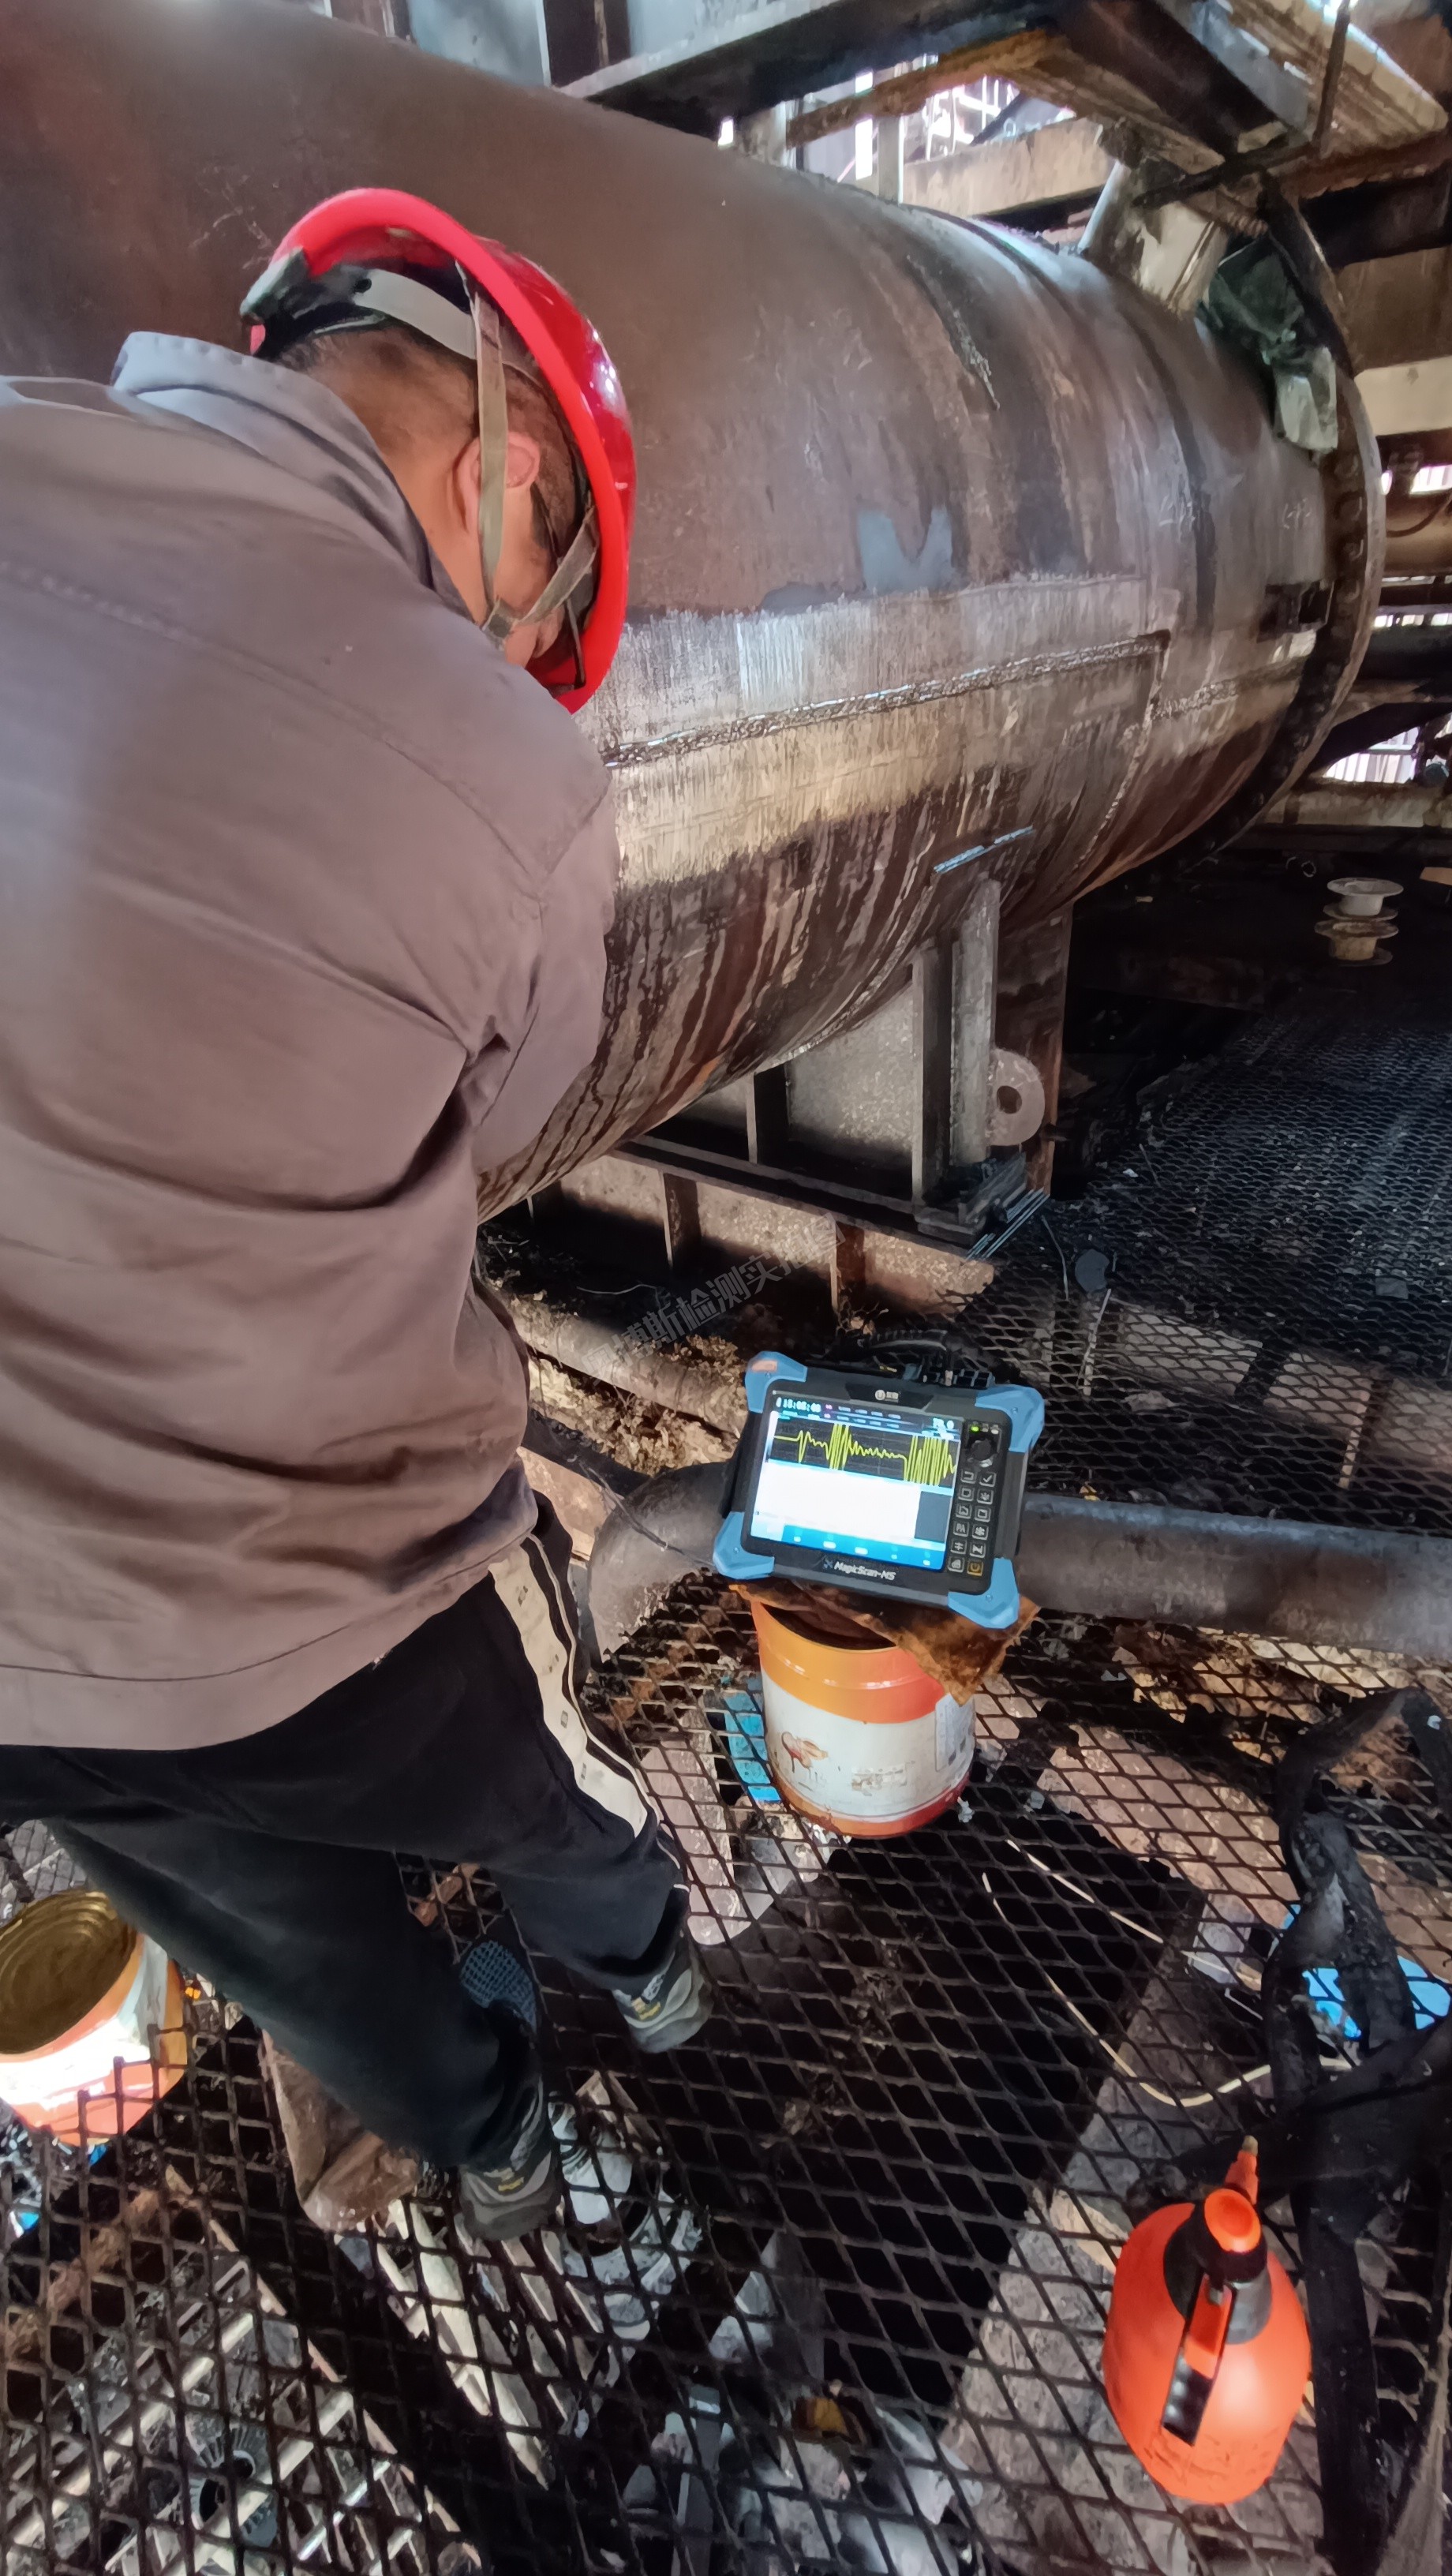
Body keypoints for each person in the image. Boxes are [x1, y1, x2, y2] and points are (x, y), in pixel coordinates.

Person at [0, 189, 706, 2240]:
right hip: (347, 1596)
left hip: (20, 1659)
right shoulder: (514, 776)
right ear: (502, 470)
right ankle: (652, 1967)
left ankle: (492, 2135)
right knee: (550, 1791)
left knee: (274, 1933)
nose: (511, 650)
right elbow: (491, 1133)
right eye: (536, 600)